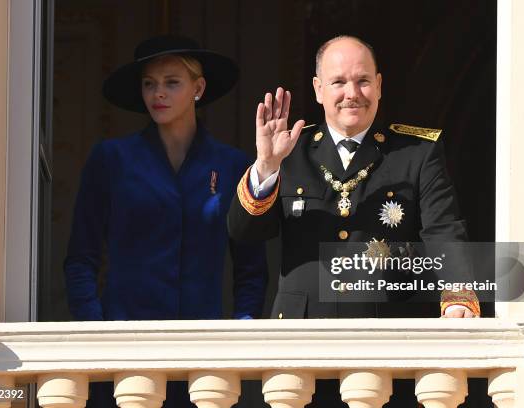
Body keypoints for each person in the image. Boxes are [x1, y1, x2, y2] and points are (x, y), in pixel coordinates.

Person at [228, 35, 483, 407]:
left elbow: (444, 231)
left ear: (379, 85)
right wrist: (266, 166)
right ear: (318, 89)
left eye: (363, 81)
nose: (353, 93)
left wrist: (458, 296)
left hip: (388, 344)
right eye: (338, 82)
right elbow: (243, 232)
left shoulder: (417, 153)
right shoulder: (290, 152)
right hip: (300, 347)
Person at [64, 35, 268, 408]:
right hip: (123, 350)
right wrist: (95, 327)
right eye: (149, 83)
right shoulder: (112, 159)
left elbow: (251, 266)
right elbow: (81, 257)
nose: (158, 93)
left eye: (172, 82)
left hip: (205, 356)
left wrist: (242, 326)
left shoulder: (232, 164)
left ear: (198, 87)